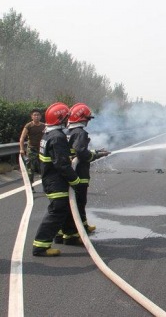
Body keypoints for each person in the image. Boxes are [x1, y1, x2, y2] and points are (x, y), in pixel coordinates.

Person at [32, 102, 81, 257]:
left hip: (50, 179)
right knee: (57, 210)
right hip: (55, 181)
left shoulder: (48, 134)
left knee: (64, 208)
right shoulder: (58, 137)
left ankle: (69, 235)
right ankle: (41, 245)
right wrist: (75, 180)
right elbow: (62, 164)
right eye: (66, 117)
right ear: (60, 119)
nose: (68, 120)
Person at [64, 103, 110, 236]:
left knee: (75, 202)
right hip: (79, 173)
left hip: (72, 171)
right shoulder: (80, 133)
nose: (88, 121)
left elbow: (77, 150)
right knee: (79, 201)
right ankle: (74, 231)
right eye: (87, 119)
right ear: (82, 118)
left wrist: (96, 151)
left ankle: (82, 225)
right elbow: (81, 152)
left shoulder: (68, 131)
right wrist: (95, 155)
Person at [19, 109, 45, 190]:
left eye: (38, 115)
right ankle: (30, 185)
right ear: (32, 116)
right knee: (31, 168)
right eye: (35, 115)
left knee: (43, 168)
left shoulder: (44, 126)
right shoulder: (29, 126)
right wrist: (22, 149)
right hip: (32, 149)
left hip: (41, 149)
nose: (36, 116)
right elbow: (22, 138)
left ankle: (46, 185)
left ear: (40, 116)